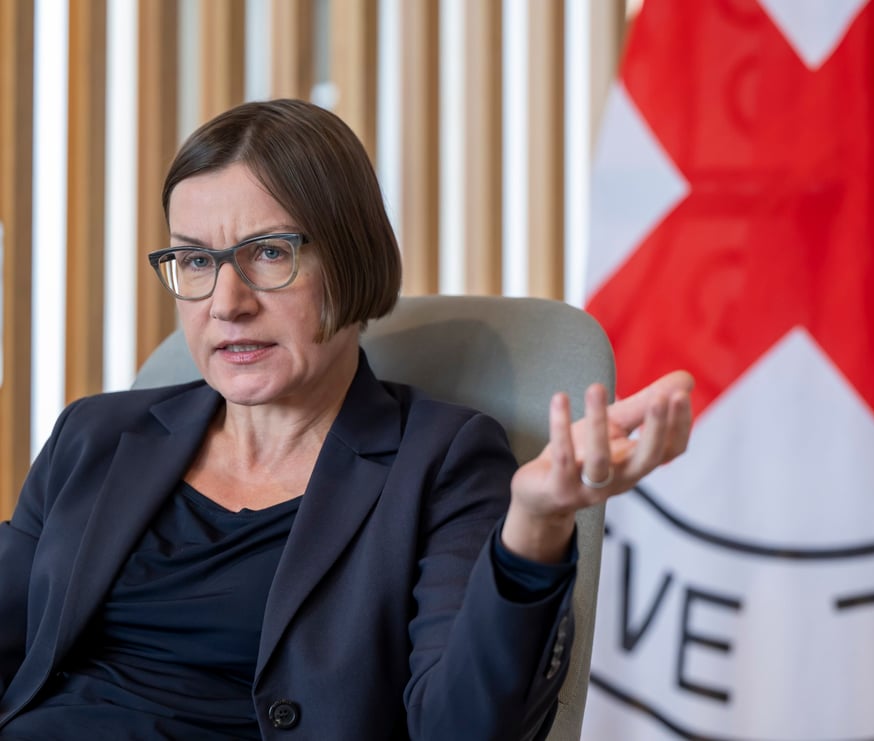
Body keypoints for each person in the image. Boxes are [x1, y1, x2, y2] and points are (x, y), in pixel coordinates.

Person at [0, 98, 693, 740]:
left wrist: (536, 525)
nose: (226, 301)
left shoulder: (442, 460)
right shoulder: (95, 435)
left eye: (269, 253)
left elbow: (465, 726)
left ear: (351, 257)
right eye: (195, 260)